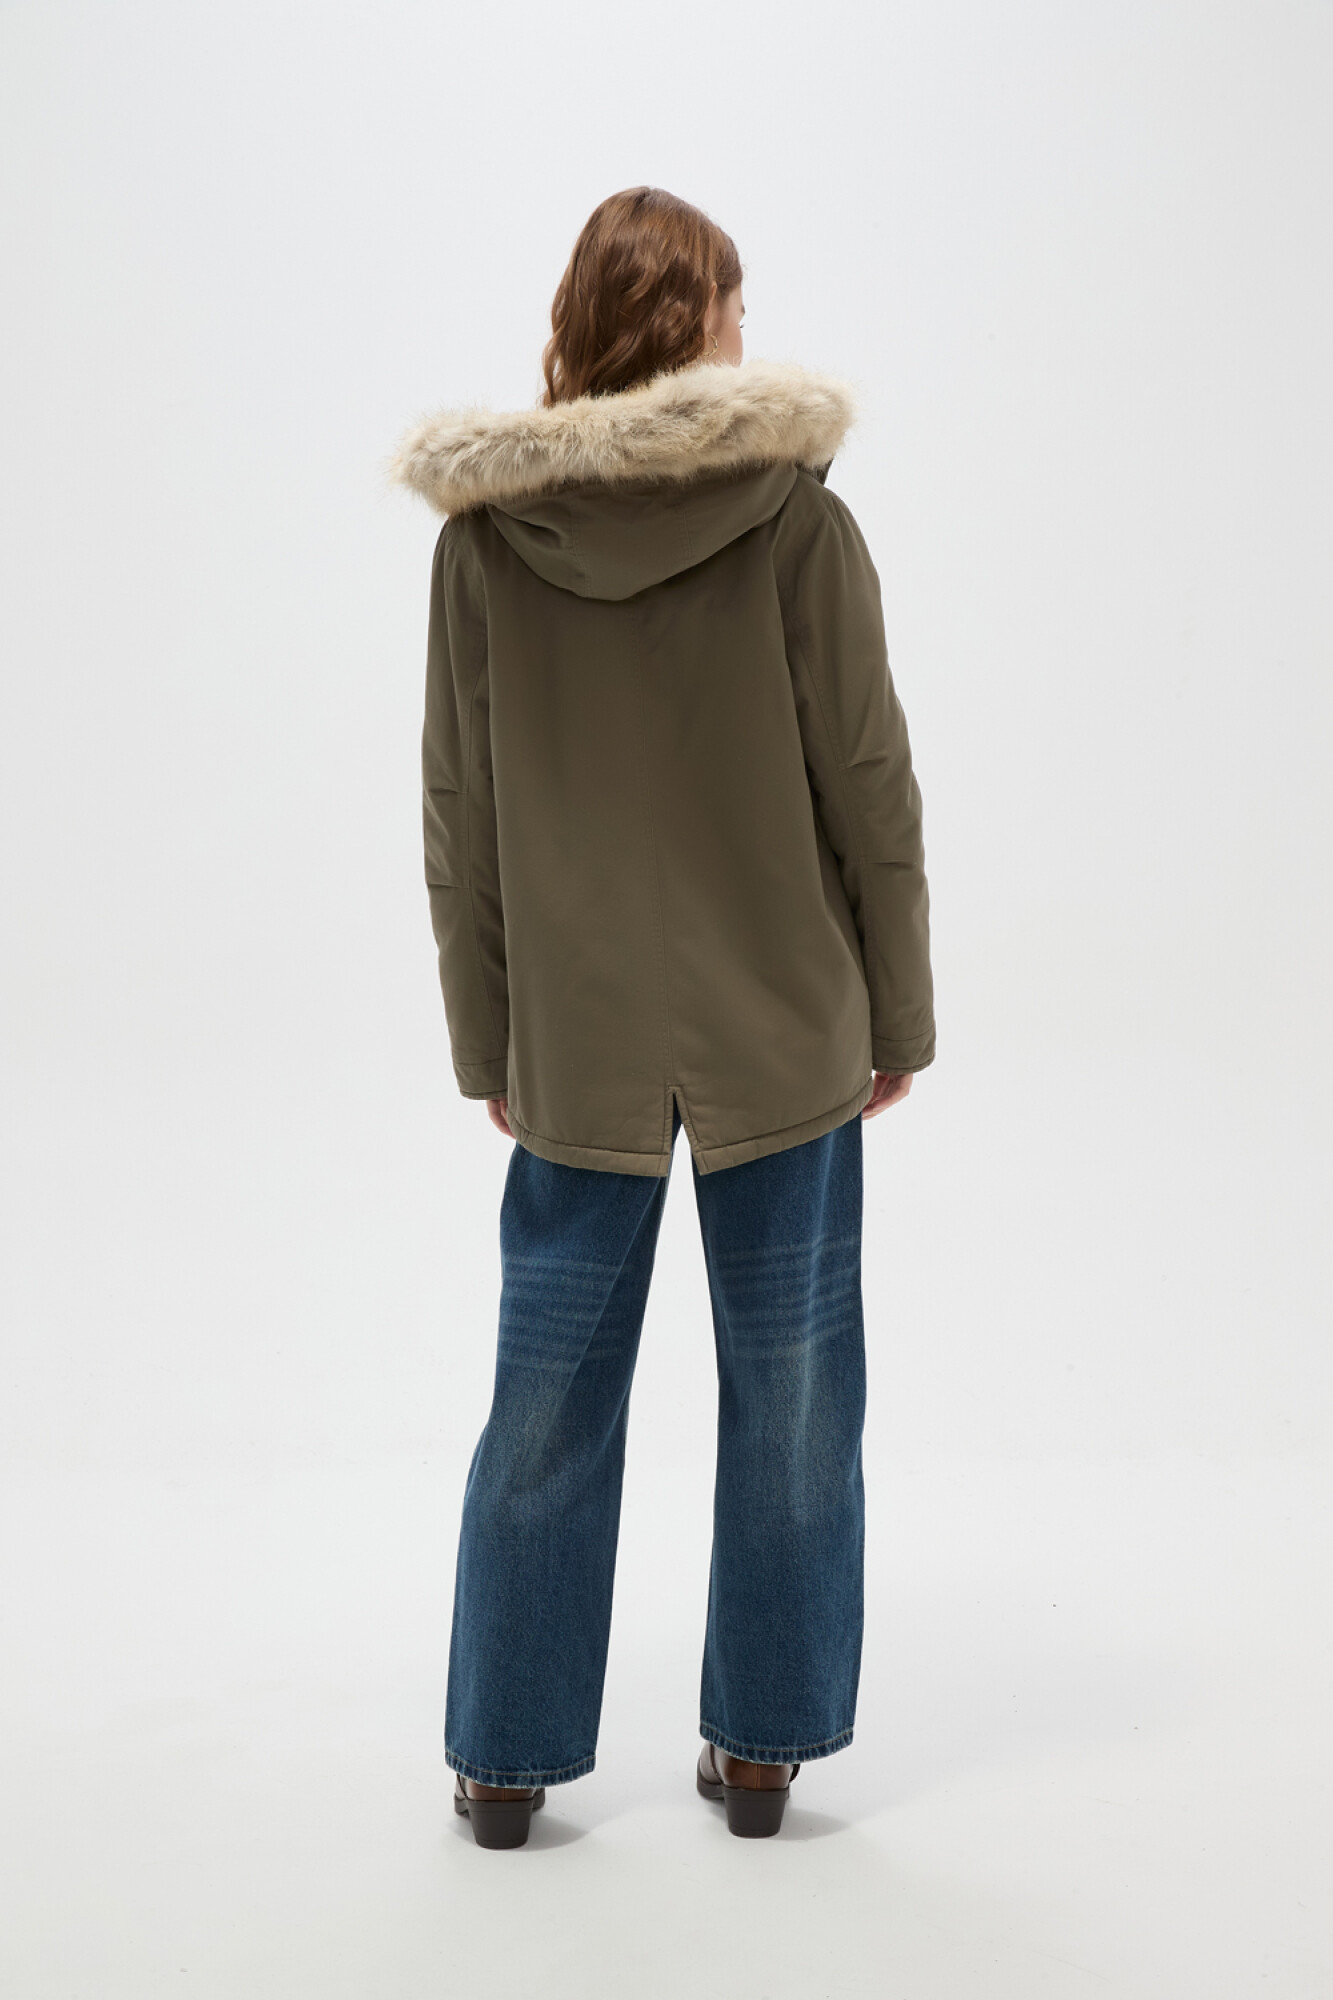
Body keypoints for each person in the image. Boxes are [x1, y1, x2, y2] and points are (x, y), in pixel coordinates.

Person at [388, 186, 935, 1848]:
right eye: (735, 305)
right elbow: (868, 783)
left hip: (577, 1035)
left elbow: (458, 813)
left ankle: (501, 1765)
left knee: (543, 1398)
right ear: (692, 323)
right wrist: (899, 1012)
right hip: (786, 1023)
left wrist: (487, 1038)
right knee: (793, 1396)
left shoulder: (484, 544)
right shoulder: (794, 524)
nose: (748, 334)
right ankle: (761, 1753)